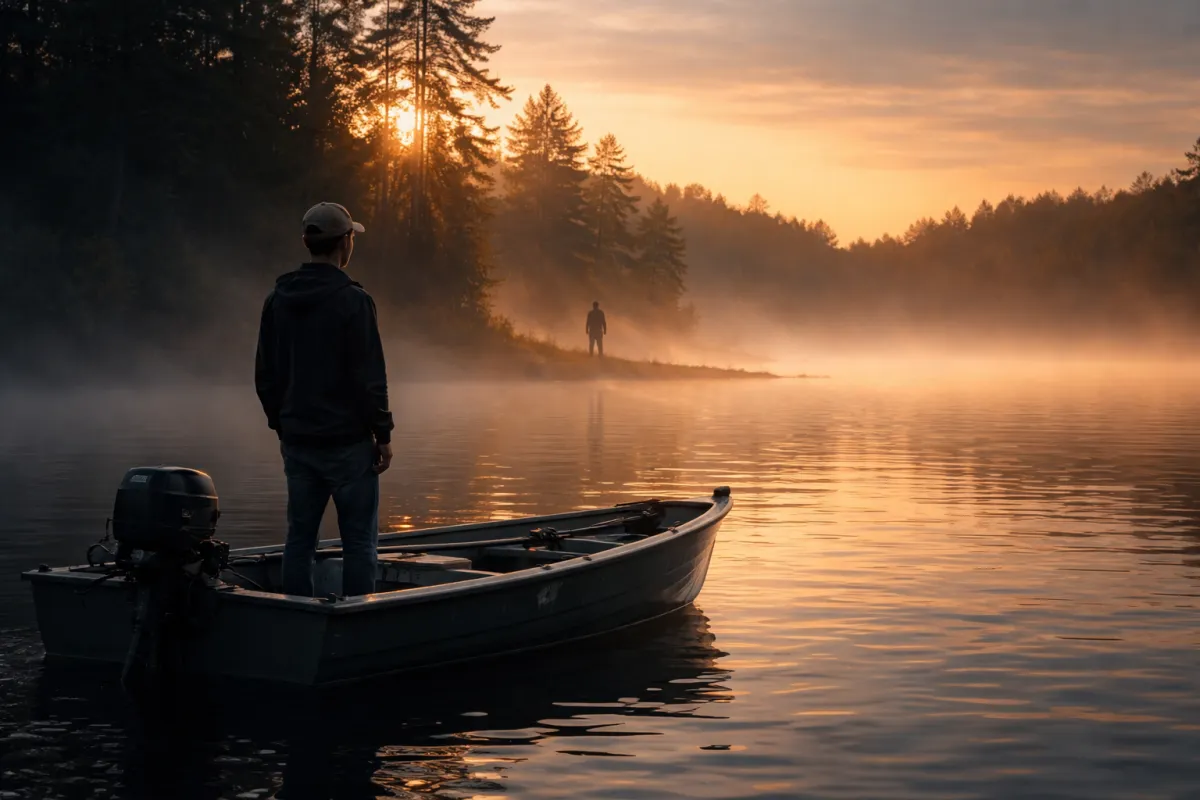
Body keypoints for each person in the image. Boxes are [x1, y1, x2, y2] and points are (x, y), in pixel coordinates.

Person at [255, 202, 394, 598]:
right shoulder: (354, 300)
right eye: (352, 237)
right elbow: (371, 377)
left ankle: (295, 617)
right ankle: (358, 621)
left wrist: (283, 424)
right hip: (348, 444)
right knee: (359, 543)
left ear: (308, 242)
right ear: (345, 243)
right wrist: (382, 433)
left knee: (299, 539)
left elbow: (265, 375)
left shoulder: (277, 299)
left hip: (298, 442)